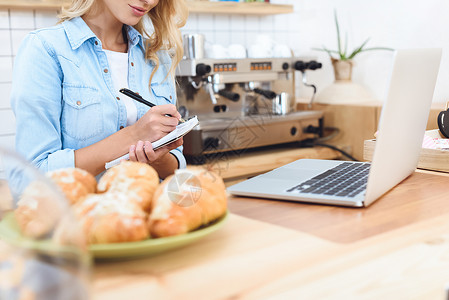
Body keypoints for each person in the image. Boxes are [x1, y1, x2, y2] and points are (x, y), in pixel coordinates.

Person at [10, 0, 188, 179]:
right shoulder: (46, 49)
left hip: (142, 205)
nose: (149, 1)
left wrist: (154, 157)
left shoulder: (157, 56)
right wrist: (133, 136)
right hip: (80, 207)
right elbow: (30, 176)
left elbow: (175, 168)